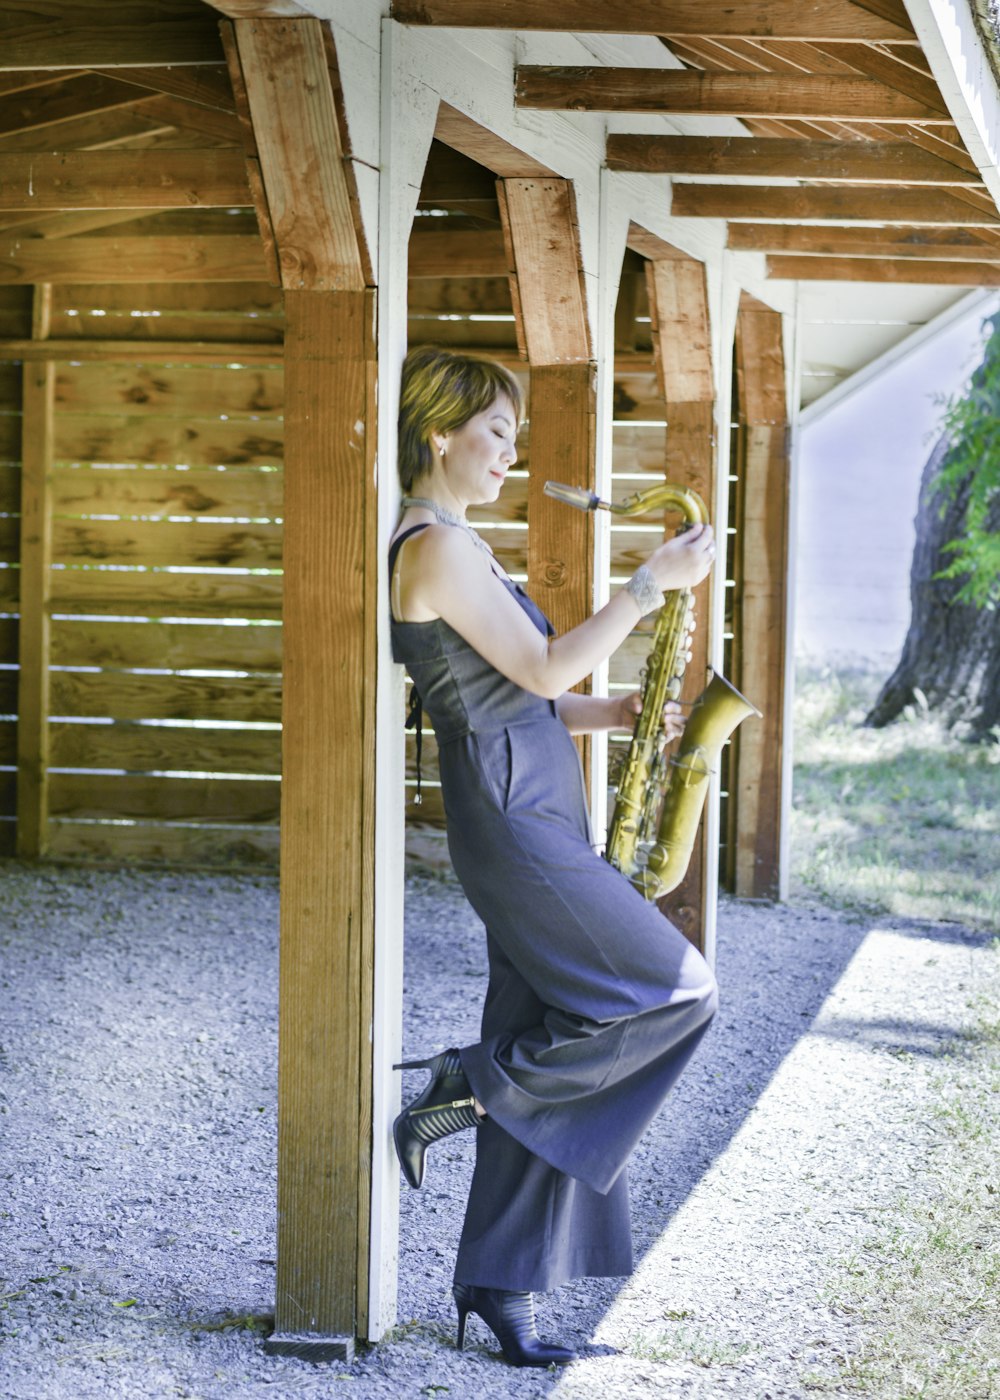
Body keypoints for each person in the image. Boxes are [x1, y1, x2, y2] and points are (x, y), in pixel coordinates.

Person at [389, 345, 719, 1368]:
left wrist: (611, 706)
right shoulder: (432, 547)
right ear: (438, 431)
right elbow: (535, 659)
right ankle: (470, 1081)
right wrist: (645, 589)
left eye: (513, 438)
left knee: (555, 1023)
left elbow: (527, 690)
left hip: (537, 803)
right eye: (493, 433)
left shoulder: (459, 540)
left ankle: (501, 1284)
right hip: (513, 819)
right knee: (674, 992)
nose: (506, 454)